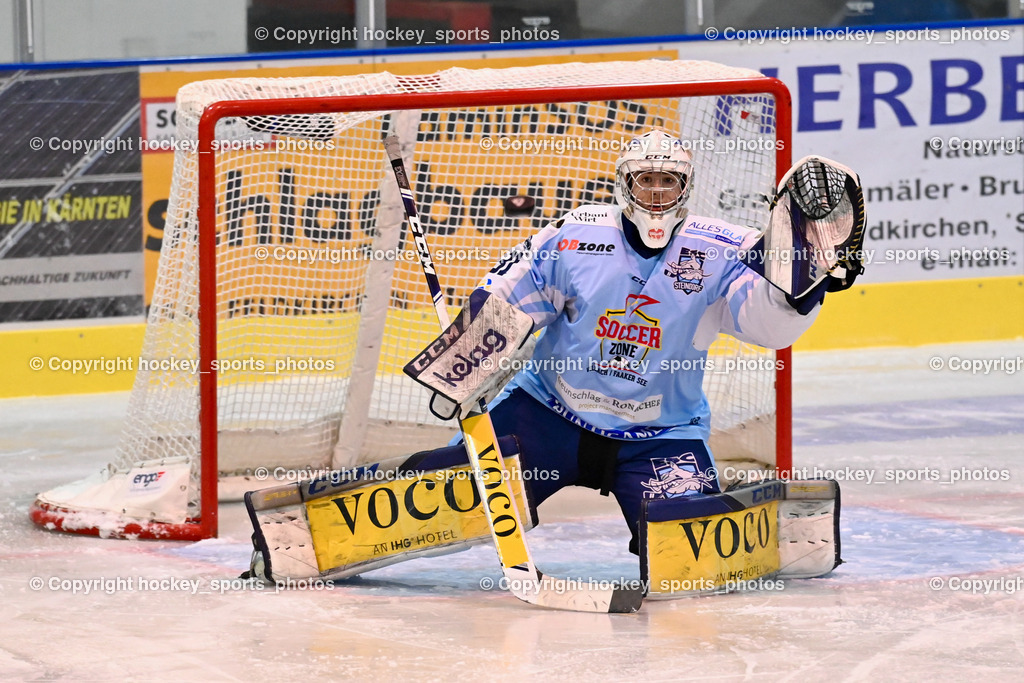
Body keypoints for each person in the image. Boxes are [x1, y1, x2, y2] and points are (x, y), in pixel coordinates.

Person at [471, 129, 836, 555]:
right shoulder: (575, 234)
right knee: (455, 500)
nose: (658, 191)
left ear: (686, 186)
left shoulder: (726, 248)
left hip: (662, 436)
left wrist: (803, 289)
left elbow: (768, 327)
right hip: (547, 414)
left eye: (669, 181)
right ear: (625, 184)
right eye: (646, 179)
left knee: (687, 557)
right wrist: (465, 361)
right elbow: (507, 298)